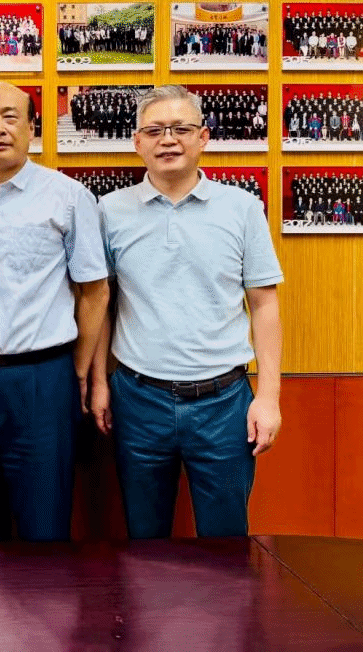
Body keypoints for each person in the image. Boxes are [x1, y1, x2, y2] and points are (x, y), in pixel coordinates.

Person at [94, 84, 284, 539]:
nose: (168, 140)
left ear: (203, 137)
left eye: (180, 129)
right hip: (137, 399)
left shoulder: (242, 208)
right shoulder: (109, 211)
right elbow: (100, 304)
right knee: (144, 540)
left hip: (224, 402)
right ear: (137, 142)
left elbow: (264, 304)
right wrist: (99, 382)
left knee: (226, 544)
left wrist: (269, 397)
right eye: (154, 130)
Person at [0, 82, 109, 542]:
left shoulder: (67, 197)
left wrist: (77, 371)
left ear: (32, 127)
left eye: (10, 117)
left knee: (44, 526)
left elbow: (95, 292)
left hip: (41, 381)